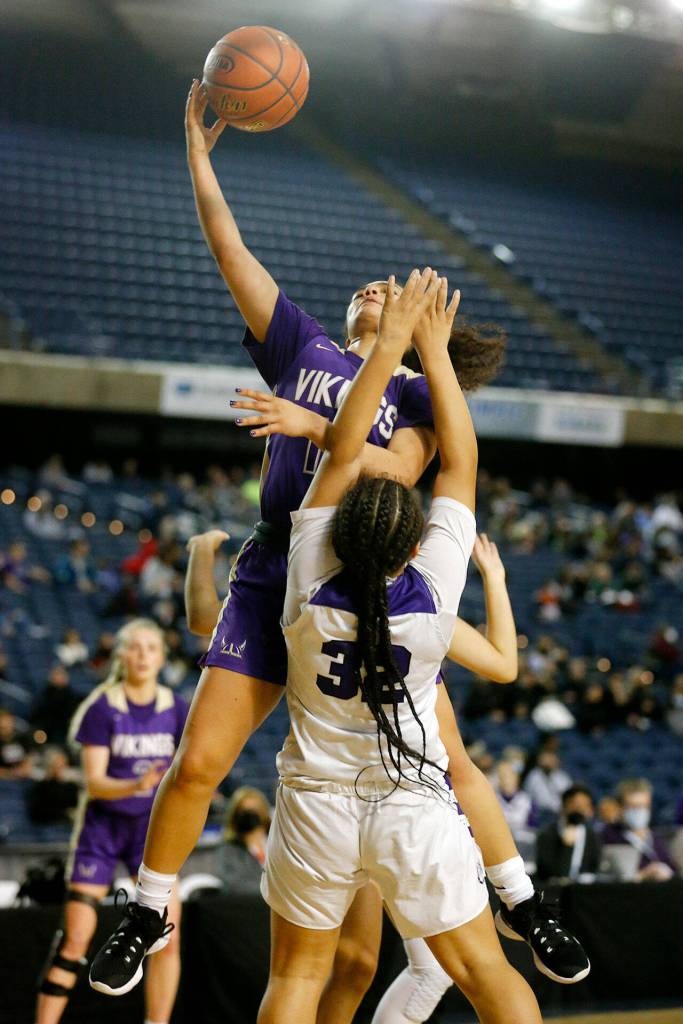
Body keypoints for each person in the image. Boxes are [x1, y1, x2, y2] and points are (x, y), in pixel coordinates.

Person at [88, 82, 583, 1009]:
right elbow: (231, 250)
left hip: (364, 577)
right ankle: (147, 908)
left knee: (456, 764)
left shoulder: (423, 396)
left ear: (406, 321)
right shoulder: (305, 350)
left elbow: (395, 474)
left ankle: (522, 897)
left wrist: (312, 430)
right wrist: (198, 156)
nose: (370, 285)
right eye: (365, 286)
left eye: (387, 287)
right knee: (199, 761)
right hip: (280, 562)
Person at [256, 269, 543, 1024]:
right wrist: (431, 353)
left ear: (331, 528)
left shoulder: (305, 577)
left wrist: (387, 347)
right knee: (485, 970)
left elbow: (342, 451)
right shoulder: (436, 601)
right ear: (415, 546)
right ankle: (522, 896)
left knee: (295, 982)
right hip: (409, 804)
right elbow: (459, 463)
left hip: (317, 804)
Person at [36, 619, 187, 1024]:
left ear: (161, 657)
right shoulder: (102, 708)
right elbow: (95, 783)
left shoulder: (177, 708)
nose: (141, 655)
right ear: (120, 655)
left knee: (166, 937)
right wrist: (138, 783)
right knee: (76, 938)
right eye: (133, 647)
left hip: (151, 831)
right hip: (102, 829)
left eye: (150, 648)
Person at [601, 778, 675, 881]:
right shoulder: (609, 835)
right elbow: (610, 876)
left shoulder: (654, 837)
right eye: (633, 807)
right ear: (621, 807)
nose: (639, 811)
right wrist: (644, 875)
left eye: (644, 806)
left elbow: (671, 867)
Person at [535, 785, 601, 884]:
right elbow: (545, 870)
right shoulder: (548, 834)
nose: (581, 810)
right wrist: (566, 847)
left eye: (585, 806)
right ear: (566, 805)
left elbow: (593, 867)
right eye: (577, 805)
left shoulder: (592, 835)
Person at [217, 786, 271, 896]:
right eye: (244, 811)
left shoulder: (278, 844)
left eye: (255, 810)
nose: (250, 815)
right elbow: (235, 885)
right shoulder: (229, 850)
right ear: (235, 815)